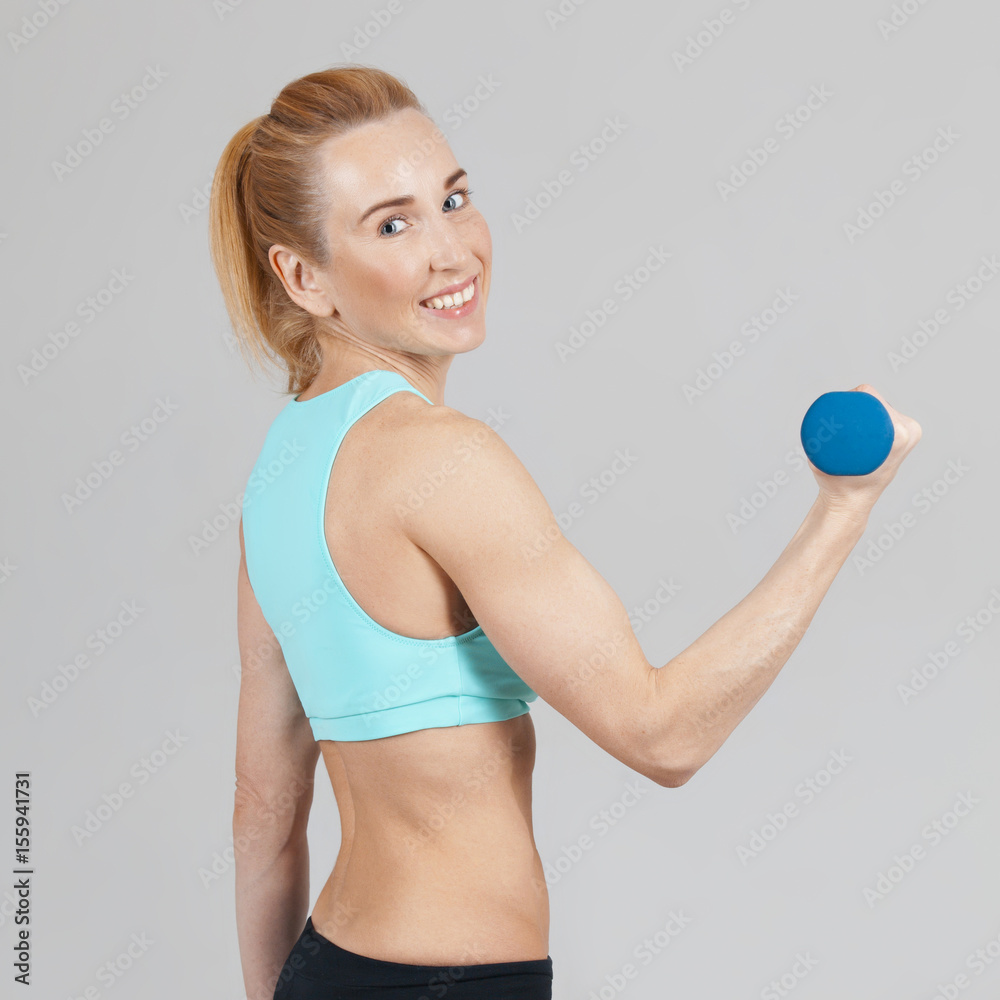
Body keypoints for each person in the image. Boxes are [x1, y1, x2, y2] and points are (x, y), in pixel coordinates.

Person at [208, 65, 921, 1000]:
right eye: (393, 223)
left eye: (454, 199)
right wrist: (844, 510)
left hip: (324, 967)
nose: (452, 250)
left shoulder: (278, 471)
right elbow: (663, 735)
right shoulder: (441, 458)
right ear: (304, 277)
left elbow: (264, 814)